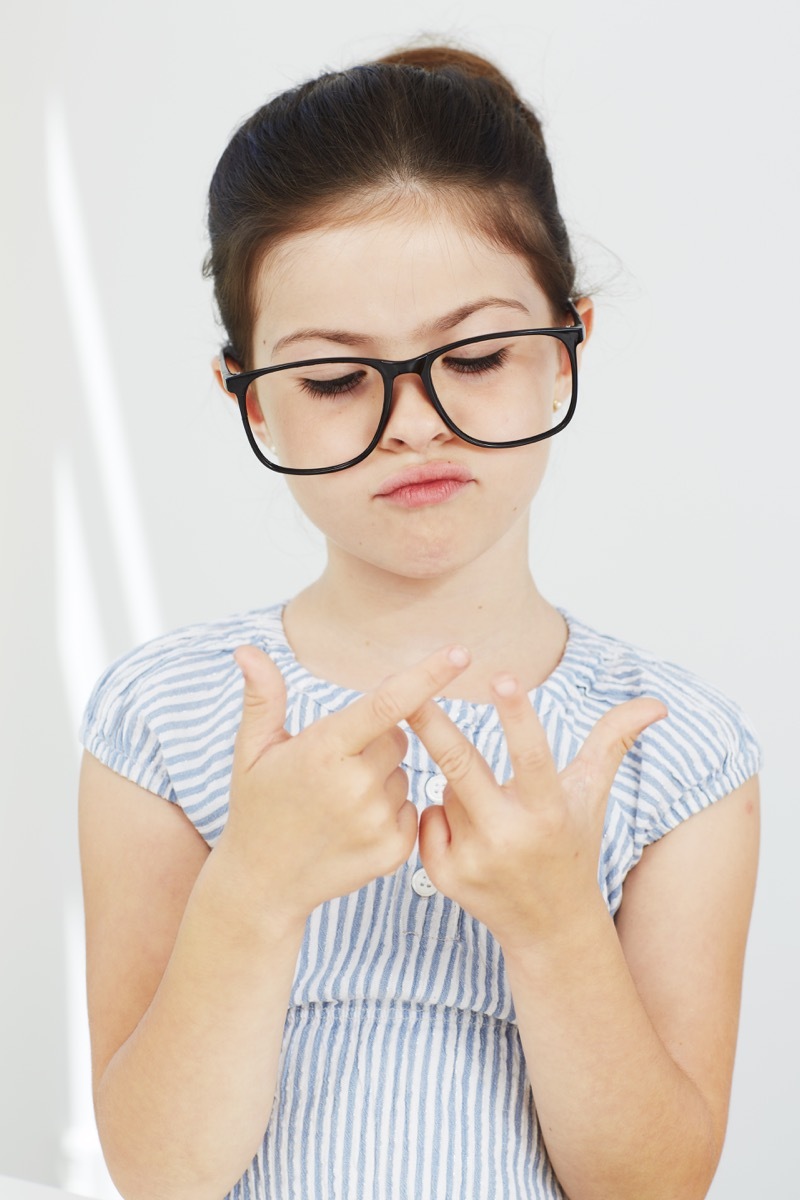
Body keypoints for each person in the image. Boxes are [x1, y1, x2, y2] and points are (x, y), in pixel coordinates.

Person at [77, 43, 762, 1200]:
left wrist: (553, 923)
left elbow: (650, 1186)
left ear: (565, 347)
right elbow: (160, 1174)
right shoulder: (162, 717)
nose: (411, 424)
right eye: (335, 380)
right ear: (244, 392)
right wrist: (254, 889)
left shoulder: (670, 750)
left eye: (478, 356)